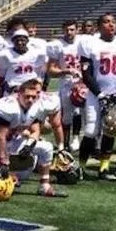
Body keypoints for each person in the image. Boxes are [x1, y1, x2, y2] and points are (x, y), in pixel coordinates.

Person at [78, 13, 116, 181]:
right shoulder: (90, 43)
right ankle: (81, 166)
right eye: (106, 22)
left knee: (112, 130)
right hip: (96, 94)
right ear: (98, 26)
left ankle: (104, 168)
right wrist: (100, 94)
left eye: (113, 21)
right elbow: (86, 74)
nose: (111, 25)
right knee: (91, 131)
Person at [0, 79, 66, 198]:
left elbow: (35, 130)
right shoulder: (7, 106)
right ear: (19, 93)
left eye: (33, 97)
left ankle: (44, 186)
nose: (31, 100)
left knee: (46, 148)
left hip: (16, 141)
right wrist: (3, 163)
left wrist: (30, 144)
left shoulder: (36, 106)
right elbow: (0, 136)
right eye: (27, 96)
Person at [46, 20, 83, 152]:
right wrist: (65, 71)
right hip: (66, 83)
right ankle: (65, 143)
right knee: (66, 116)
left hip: (82, 83)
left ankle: (76, 138)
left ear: (77, 30)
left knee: (80, 113)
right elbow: (50, 70)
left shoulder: (83, 43)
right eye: (67, 30)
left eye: (72, 29)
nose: (69, 32)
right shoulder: (58, 46)